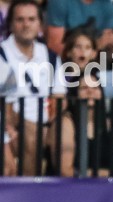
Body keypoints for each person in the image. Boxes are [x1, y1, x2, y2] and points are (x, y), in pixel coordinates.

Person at [1, 0, 69, 176]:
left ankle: (68, 184)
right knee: (30, 135)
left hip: (47, 121)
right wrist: (14, 126)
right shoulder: (2, 54)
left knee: (66, 131)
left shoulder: (50, 56)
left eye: (31, 19)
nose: (26, 25)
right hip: (12, 122)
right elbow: (6, 105)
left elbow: (60, 97)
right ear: (11, 24)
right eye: (20, 19)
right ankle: (30, 190)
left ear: (40, 24)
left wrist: (49, 124)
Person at [44, 0, 113, 56]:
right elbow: (54, 46)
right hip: (64, 65)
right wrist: (95, 46)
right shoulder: (60, 2)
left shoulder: (106, 4)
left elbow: (107, 40)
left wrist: (112, 42)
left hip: (96, 64)